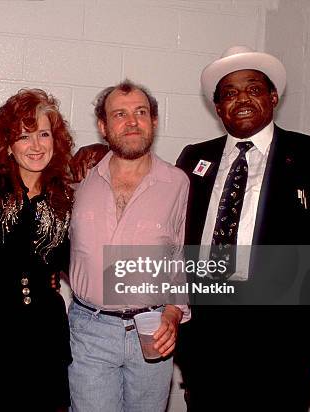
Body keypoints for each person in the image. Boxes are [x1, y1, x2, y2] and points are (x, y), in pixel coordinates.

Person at [174, 45, 310, 411]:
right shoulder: (195, 157)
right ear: (217, 106)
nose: (241, 99)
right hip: (207, 334)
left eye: (253, 89)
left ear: (273, 98)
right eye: (229, 93)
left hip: (282, 337)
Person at [67, 80, 190, 412]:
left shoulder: (178, 183)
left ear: (154, 121)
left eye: (141, 112)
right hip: (90, 329)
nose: (132, 122)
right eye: (119, 114)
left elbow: (178, 257)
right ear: (103, 127)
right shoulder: (78, 178)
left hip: (152, 331)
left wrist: (173, 313)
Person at [0, 89, 74, 410]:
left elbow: (75, 260)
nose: (36, 146)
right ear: (8, 144)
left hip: (45, 338)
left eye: (44, 134)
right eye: (24, 136)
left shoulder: (65, 197)